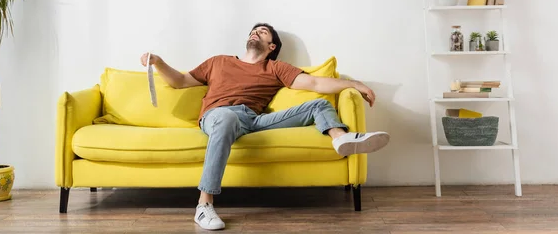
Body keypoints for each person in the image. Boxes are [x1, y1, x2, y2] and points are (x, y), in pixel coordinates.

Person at [140, 23, 390, 231]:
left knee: (317, 105)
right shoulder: (219, 62)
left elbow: (313, 83)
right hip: (219, 116)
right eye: (253, 30)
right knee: (227, 118)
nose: (255, 33)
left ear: (272, 47)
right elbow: (181, 81)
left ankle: (340, 138)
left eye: (262, 32)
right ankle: (204, 205)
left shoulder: (275, 68)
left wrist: (354, 84)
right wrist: (159, 62)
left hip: (253, 120)